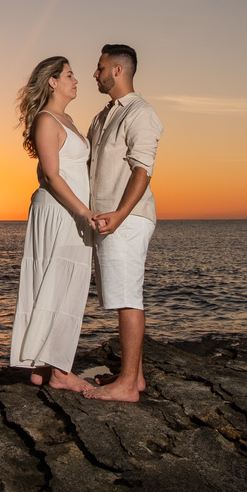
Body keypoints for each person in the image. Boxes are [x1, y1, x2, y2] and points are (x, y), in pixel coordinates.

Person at [9, 56, 96, 391]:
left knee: (61, 283)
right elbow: (50, 174)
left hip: (68, 209)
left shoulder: (67, 118)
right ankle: (59, 372)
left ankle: (43, 366)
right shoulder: (47, 120)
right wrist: (83, 212)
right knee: (61, 283)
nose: (77, 80)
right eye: (70, 75)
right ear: (52, 82)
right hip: (61, 210)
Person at [85, 44, 163, 402]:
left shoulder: (141, 113)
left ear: (117, 70)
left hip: (127, 219)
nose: (95, 74)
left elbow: (142, 170)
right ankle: (135, 376)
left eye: (100, 68)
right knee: (120, 296)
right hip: (104, 218)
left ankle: (128, 385)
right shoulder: (102, 116)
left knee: (128, 297)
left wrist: (119, 215)